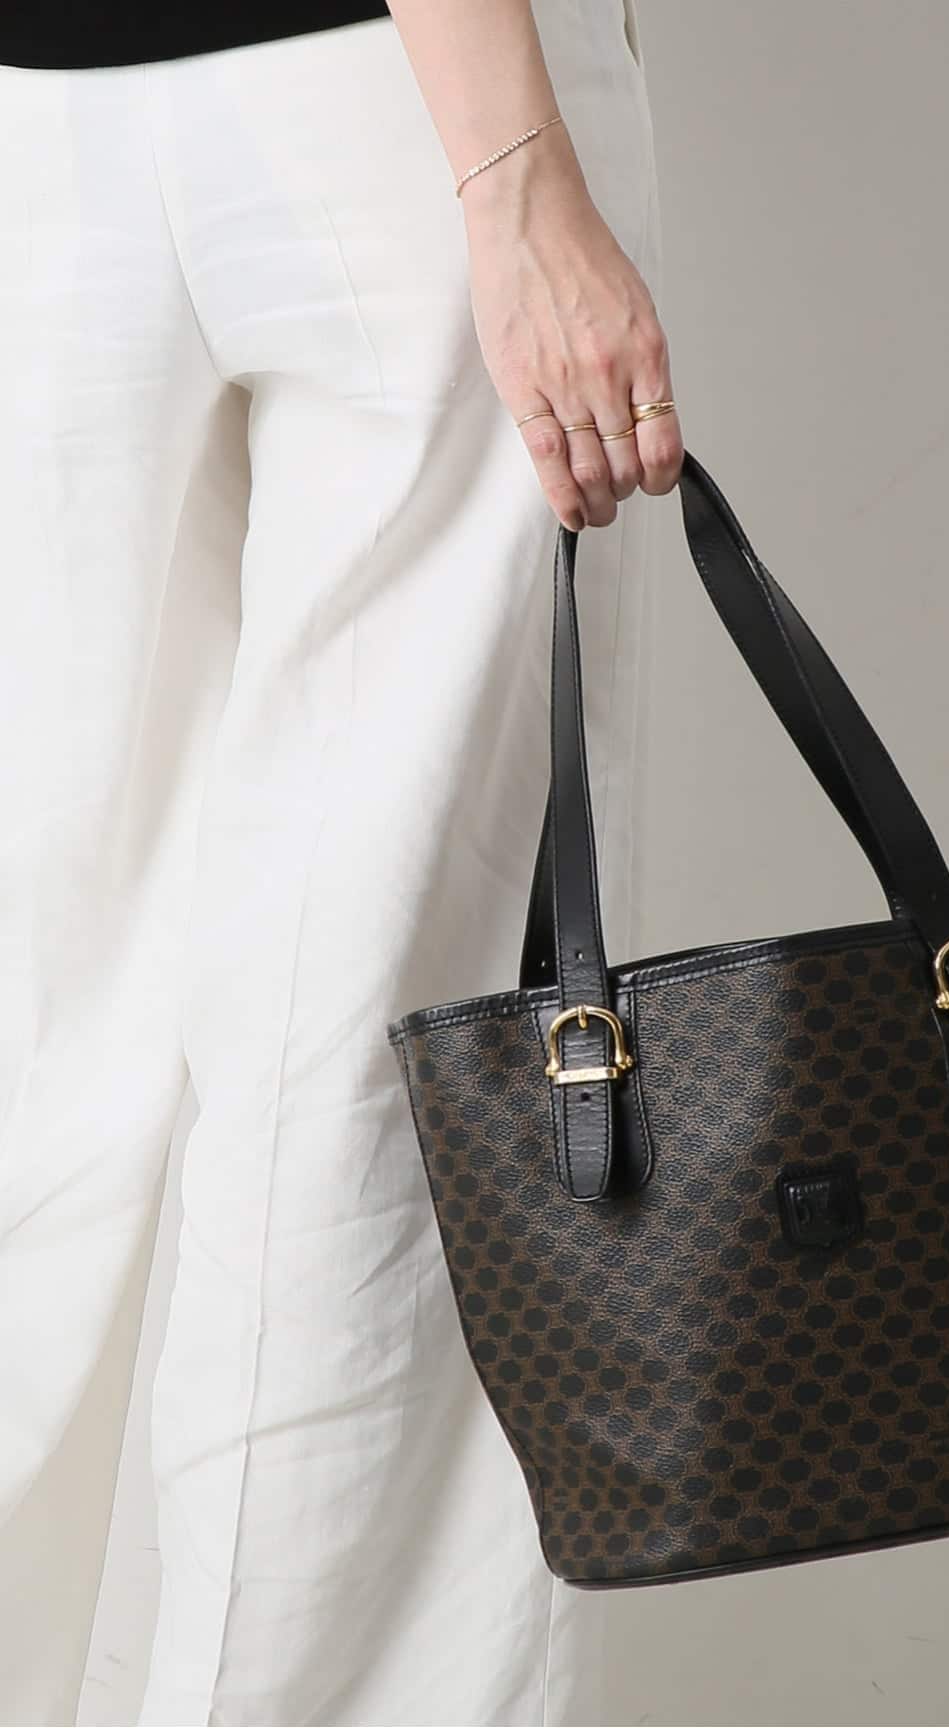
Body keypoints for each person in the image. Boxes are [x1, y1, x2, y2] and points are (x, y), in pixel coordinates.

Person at [0, 1, 678, 1721]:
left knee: (42, 1049)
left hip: (39, 137)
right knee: (394, 1073)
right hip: (400, 114)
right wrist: (519, 172)